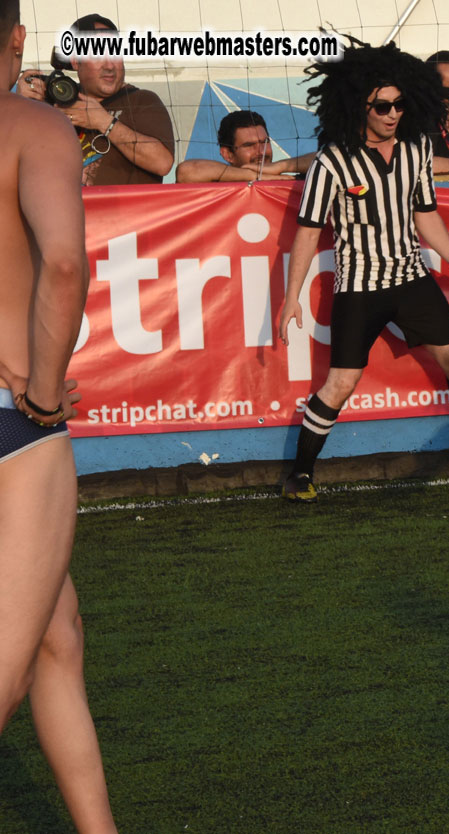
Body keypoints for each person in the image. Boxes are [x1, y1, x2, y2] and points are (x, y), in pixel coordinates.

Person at [277, 41, 449, 502]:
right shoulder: (332, 161)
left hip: (412, 279)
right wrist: (291, 296)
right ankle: (299, 473)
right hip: (358, 286)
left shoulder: (415, 151)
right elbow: (307, 233)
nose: (393, 114)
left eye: (399, 104)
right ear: (360, 106)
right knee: (341, 383)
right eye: (382, 106)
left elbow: (425, 216)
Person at [0, 2, 119, 831]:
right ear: (17, 40)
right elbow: (66, 265)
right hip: (13, 426)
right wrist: (43, 390)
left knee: (56, 636)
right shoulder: (31, 124)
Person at [17, 13, 173, 185]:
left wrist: (104, 122)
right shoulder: (55, 100)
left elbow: (162, 163)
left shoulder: (142, 100)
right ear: (76, 62)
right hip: (63, 211)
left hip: (128, 212)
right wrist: (21, 106)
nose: (109, 65)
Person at [175, 110, 315, 183]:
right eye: (249, 145)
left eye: (264, 142)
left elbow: (330, 158)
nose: (261, 151)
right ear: (227, 154)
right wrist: (254, 176)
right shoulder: (216, 186)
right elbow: (186, 171)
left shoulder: (286, 181)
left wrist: (281, 166)